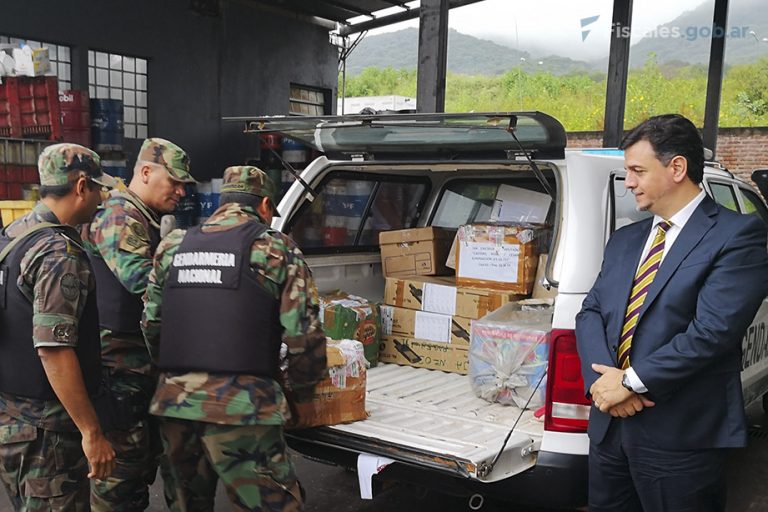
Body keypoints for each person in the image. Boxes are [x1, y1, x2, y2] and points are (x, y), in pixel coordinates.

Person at [576, 114, 768, 511]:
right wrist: (605, 386)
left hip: (682, 439)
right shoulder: (626, 239)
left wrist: (629, 382)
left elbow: (713, 331)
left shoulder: (736, 236)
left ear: (677, 167)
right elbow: (591, 311)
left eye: (637, 170)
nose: (628, 182)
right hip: (611, 432)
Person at [141, 166, 327, 511]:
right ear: (266, 205)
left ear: (222, 202)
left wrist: (168, 375)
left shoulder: (173, 246)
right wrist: (302, 396)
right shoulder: (276, 249)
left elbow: (152, 323)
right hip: (244, 408)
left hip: (175, 404)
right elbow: (304, 334)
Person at [0, 143, 118, 510]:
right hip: (47, 432)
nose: (102, 198)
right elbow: (53, 350)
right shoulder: (57, 254)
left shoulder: (11, 237)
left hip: (11, 418)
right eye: (99, 188)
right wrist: (91, 431)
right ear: (81, 186)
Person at [81, 137, 194, 511]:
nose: (180, 191)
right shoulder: (119, 216)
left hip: (139, 370)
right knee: (120, 486)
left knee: (140, 472)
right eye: (174, 181)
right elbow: (140, 279)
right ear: (145, 172)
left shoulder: (142, 219)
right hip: (119, 372)